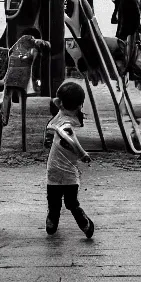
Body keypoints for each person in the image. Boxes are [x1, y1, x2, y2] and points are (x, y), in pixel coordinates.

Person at [44, 81, 94, 238]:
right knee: (71, 203)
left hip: (54, 170)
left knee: (54, 202)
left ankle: (52, 221)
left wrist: (81, 152)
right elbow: (69, 137)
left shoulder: (61, 117)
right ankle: (85, 224)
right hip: (69, 173)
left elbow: (55, 101)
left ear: (61, 103)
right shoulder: (66, 121)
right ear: (80, 105)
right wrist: (82, 154)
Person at [0, 27, 50, 127]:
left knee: (7, 95)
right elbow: (35, 64)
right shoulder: (34, 46)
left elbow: (9, 52)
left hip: (11, 73)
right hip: (23, 76)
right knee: (22, 95)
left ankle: (5, 117)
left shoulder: (18, 44)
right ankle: (21, 118)